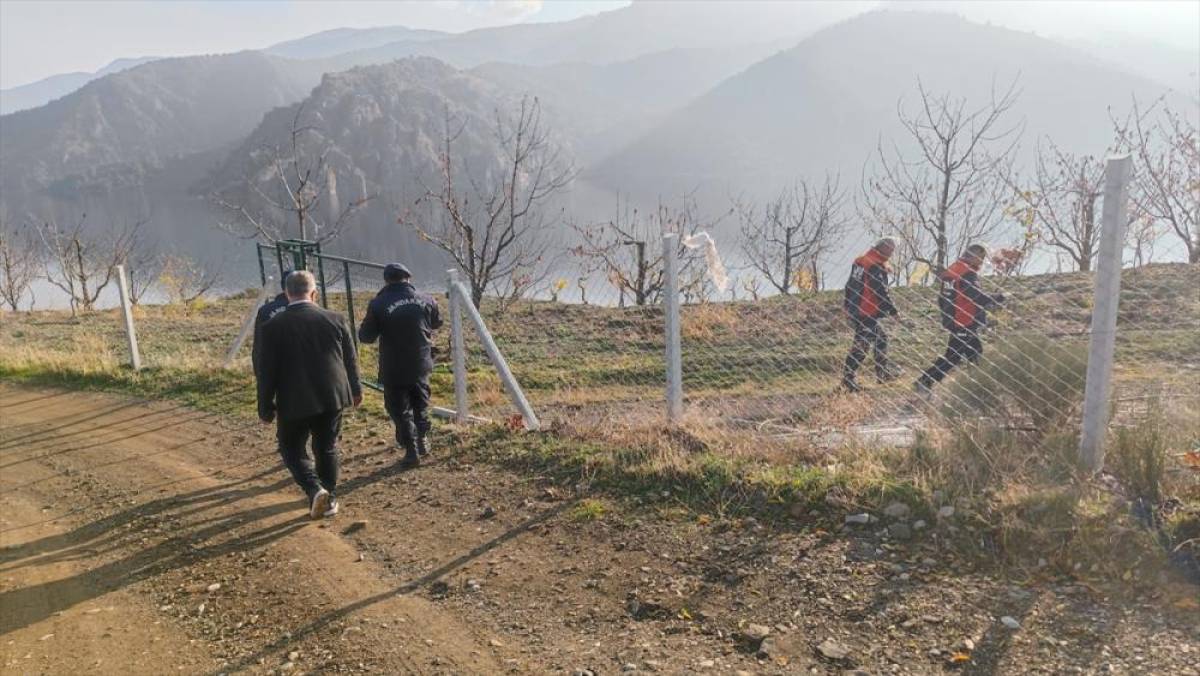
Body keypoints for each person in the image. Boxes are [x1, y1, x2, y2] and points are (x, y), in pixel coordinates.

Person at [256, 270, 362, 519]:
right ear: (314, 293)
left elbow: (266, 371)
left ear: (286, 293)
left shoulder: (272, 326)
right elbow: (350, 358)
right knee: (326, 446)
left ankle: (314, 489)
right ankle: (329, 495)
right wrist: (356, 390)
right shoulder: (335, 318)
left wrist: (265, 407)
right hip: (332, 395)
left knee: (291, 448)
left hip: (293, 398)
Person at [358, 263, 442, 468]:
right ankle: (422, 439)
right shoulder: (427, 298)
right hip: (421, 362)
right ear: (408, 278)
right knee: (420, 403)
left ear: (387, 280)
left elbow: (366, 337)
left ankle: (411, 449)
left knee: (398, 408)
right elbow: (437, 322)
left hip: (393, 365)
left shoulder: (378, 303)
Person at [914, 244, 1004, 397]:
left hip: (955, 320)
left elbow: (942, 298)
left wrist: (947, 317)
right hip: (965, 321)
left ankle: (979, 389)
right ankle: (926, 381)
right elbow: (974, 295)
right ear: (974, 255)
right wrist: (997, 298)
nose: (982, 262)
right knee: (958, 357)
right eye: (981, 258)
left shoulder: (953, 270)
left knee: (969, 355)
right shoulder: (967, 273)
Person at [842, 238, 900, 392]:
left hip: (857, 308)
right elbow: (879, 290)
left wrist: (847, 306)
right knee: (862, 345)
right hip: (866, 310)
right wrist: (893, 310)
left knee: (880, 338)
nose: (892, 253)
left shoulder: (861, 261)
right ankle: (849, 380)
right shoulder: (874, 265)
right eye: (891, 250)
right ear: (883, 248)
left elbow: (849, 284)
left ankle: (881, 373)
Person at [251, 272, 290, 379]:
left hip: (273, 367)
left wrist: (259, 373)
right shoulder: (311, 311)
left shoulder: (265, 311)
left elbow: (259, 344)